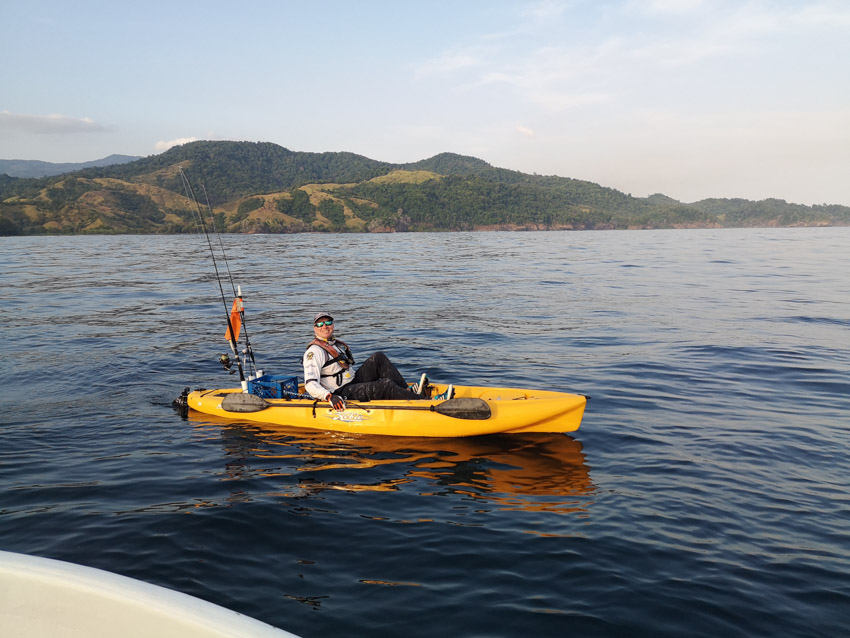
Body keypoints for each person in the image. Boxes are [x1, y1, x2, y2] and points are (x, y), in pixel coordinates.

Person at [303, 312, 428, 410]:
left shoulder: (334, 344)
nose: (324, 326)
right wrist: (329, 397)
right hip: (339, 391)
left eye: (328, 322)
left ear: (333, 325)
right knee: (384, 385)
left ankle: (408, 392)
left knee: (378, 358)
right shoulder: (314, 352)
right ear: (315, 328)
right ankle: (425, 403)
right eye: (320, 324)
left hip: (351, 382)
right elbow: (310, 384)